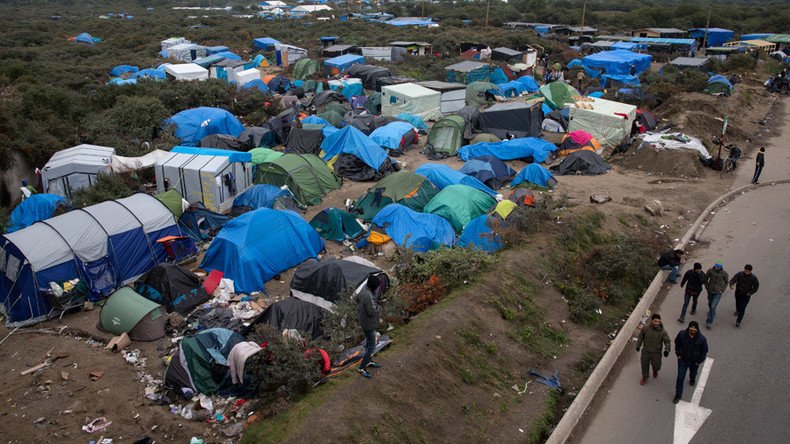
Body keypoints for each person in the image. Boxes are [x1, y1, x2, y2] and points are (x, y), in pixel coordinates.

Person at [673, 321, 708, 404]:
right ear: (688, 327)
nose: (693, 329)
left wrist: (699, 361)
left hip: (694, 362)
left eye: (695, 328)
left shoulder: (702, 339)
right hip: (683, 360)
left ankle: (692, 379)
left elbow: (704, 350)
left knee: (693, 373)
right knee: (680, 377)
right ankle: (678, 395)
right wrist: (678, 354)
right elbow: (677, 343)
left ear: (697, 329)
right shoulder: (682, 334)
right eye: (691, 327)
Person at [636, 313, 671, 385]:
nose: (657, 323)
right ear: (652, 321)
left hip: (656, 353)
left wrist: (667, 350)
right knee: (644, 365)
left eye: (658, 322)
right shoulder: (645, 328)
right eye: (655, 321)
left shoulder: (663, 331)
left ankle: (655, 370)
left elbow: (667, 341)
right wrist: (638, 346)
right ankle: (645, 377)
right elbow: (641, 337)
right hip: (646, 351)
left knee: (656, 365)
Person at [357, 288, 381, 378]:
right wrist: (378, 307)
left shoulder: (362, 294)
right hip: (368, 325)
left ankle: (369, 361)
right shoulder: (367, 296)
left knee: (369, 343)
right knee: (371, 346)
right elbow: (371, 312)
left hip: (366, 323)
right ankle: (362, 367)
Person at [704, 261, 729, 328]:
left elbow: (726, 282)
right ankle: (711, 312)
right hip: (710, 290)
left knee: (713, 306)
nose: (717, 268)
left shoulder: (724, 273)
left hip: (718, 292)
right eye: (716, 266)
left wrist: (722, 289)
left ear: (721, 267)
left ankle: (709, 321)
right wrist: (706, 286)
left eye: (718, 267)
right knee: (710, 303)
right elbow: (706, 279)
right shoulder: (710, 270)